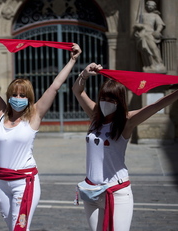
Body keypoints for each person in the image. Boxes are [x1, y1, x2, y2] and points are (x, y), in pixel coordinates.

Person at [0, 38, 81, 231]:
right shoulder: (0, 113)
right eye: (14, 94)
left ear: (29, 98)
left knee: (19, 228)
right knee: (12, 226)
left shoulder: (34, 115)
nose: (18, 98)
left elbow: (55, 86)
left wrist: (72, 61)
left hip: (24, 182)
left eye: (23, 95)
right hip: (1, 183)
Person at [72, 63, 178, 231]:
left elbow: (155, 106)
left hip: (117, 192)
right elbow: (77, 91)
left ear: (119, 102)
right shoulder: (95, 115)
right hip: (91, 191)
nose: (106, 102)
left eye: (112, 99)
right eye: (104, 98)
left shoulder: (126, 121)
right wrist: (84, 74)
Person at [134, 0, 166, 73]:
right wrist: (140, 26)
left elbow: (160, 25)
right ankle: (149, 65)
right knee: (145, 50)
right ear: (146, 6)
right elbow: (136, 24)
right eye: (149, 5)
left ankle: (159, 63)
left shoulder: (155, 15)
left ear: (155, 7)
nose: (150, 7)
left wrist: (157, 31)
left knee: (153, 49)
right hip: (142, 34)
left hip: (150, 34)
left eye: (152, 6)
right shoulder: (142, 15)